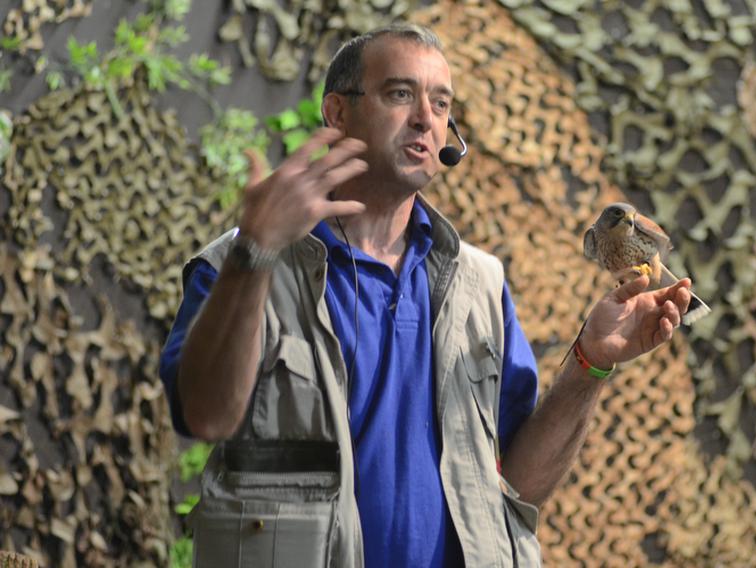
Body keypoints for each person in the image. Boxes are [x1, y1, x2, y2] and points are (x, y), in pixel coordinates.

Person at [159, 23, 691, 568]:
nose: (425, 119)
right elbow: (203, 416)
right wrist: (258, 251)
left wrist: (590, 366)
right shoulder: (237, 264)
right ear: (338, 113)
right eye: (399, 94)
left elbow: (518, 486)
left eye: (441, 104)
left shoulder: (479, 281)